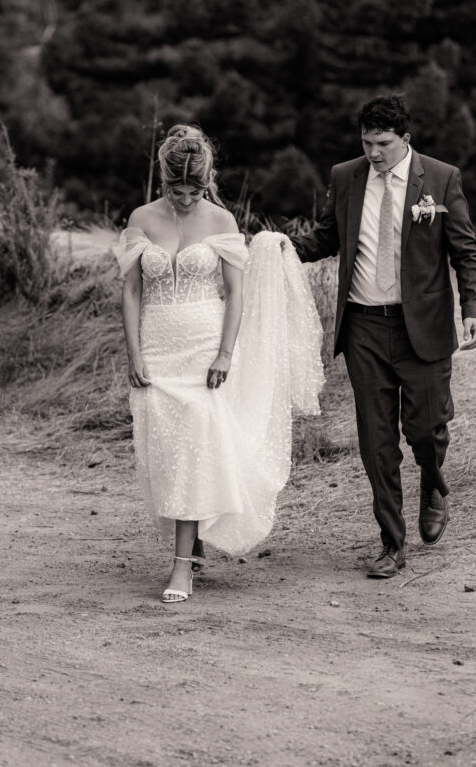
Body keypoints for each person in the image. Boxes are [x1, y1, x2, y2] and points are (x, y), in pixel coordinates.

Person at [114, 125, 323, 603]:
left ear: (207, 181)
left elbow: (235, 293)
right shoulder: (141, 218)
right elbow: (130, 290)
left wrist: (226, 353)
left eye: (194, 189)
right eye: (175, 189)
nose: (185, 199)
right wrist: (134, 352)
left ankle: (181, 566)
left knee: (193, 447)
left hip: (204, 346)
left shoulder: (222, 220)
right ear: (162, 181)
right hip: (158, 345)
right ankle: (195, 540)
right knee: (167, 454)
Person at [291, 95, 476, 579]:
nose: (373, 153)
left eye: (382, 143)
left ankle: (433, 483)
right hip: (363, 326)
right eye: (366, 142)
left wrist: (473, 309)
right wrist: (277, 247)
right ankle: (391, 544)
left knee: (425, 429)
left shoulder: (440, 179)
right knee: (376, 441)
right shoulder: (345, 176)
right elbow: (326, 239)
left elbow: (466, 252)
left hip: (423, 325)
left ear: (405, 140)